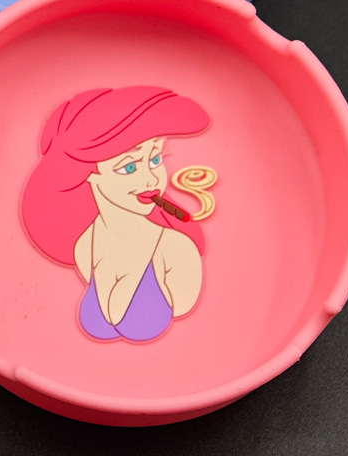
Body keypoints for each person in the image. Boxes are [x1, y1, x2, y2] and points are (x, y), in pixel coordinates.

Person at [21, 86, 211, 342]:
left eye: (155, 159)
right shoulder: (86, 245)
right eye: (129, 167)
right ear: (88, 174)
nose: (151, 179)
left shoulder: (176, 251)